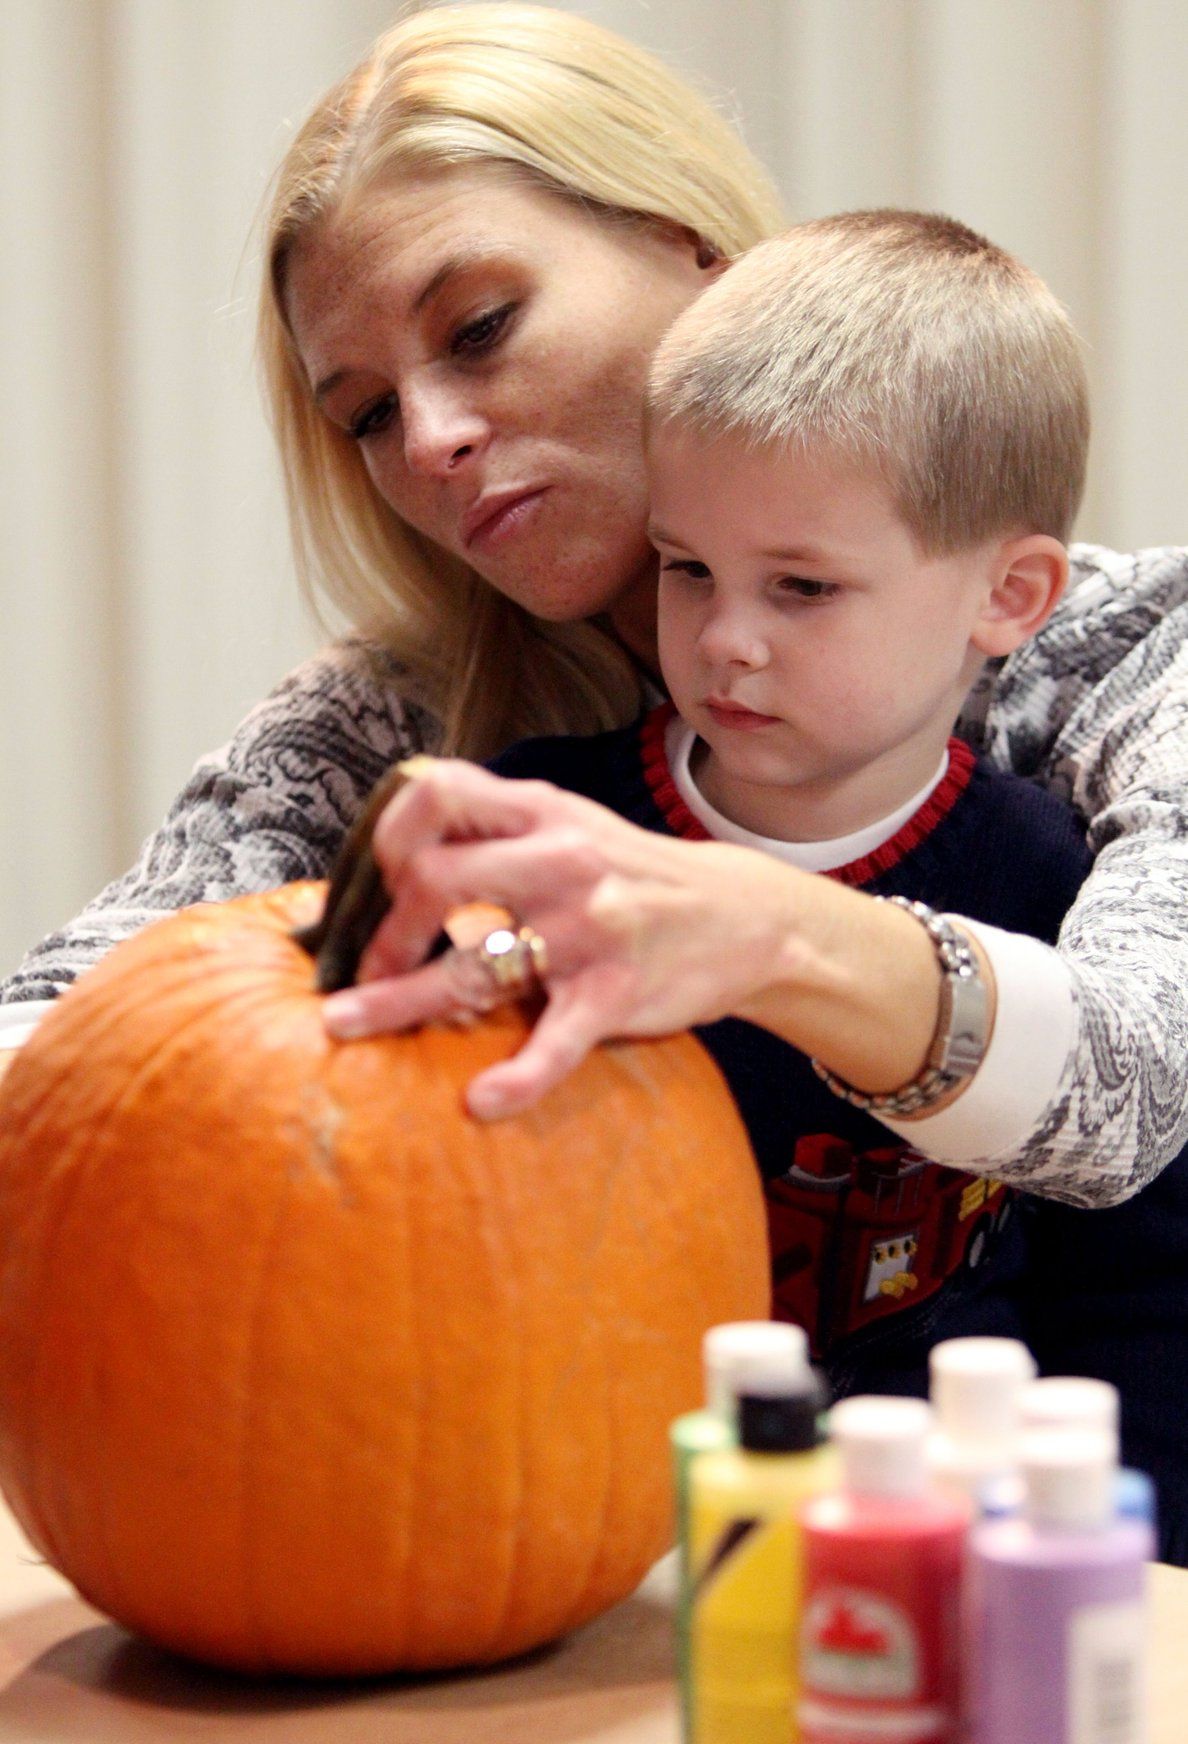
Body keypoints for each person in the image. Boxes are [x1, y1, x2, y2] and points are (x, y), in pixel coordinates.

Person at [0, 7, 1185, 1482]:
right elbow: (72, 1031)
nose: (427, 438)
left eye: (482, 327)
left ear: (700, 255)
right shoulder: (398, 726)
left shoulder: (1127, 658)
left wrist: (762, 929)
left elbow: (1143, 1078)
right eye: (366, 413)